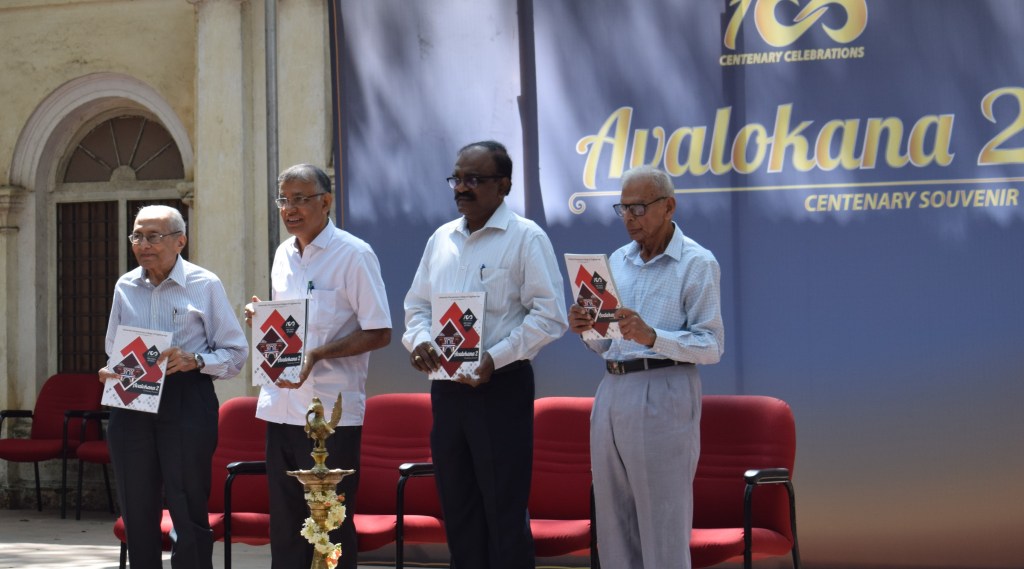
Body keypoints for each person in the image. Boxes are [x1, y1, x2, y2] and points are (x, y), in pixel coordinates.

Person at [403, 140, 568, 569]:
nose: (462, 187)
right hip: (447, 392)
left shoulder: (526, 237)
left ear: (504, 185)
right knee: (458, 511)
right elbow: (417, 306)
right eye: (457, 178)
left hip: (500, 388)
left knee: (503, 515)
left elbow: (550, 316)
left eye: (474, 179)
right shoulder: (441, 239)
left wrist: (496, 357)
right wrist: (418, 340)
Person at [568, 165, 724, 569]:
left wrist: (653, 336)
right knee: (614, 524)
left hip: (664, 387)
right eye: (623, 208)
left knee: (662, 525)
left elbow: (711, 345)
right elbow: (607, 344)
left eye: (638, 208)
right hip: (612, 390)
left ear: (669, 207)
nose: (629, 217)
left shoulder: (696, 263)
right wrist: (587, 330)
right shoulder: (617, 261)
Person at [244, 164, 391, 569]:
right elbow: (290, 326)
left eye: (300, 199)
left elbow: (379, 332)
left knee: (330, 526)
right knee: (286, 526)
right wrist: (263, 319)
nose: (289, 209)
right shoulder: (283, 255)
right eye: (283, 200)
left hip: (331, 415)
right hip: (281, 407)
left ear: (326, 202)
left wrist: (318, 354)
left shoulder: (353, 254)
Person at [99, 205, 248, 569]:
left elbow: (236, 352)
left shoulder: (205, 284)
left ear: (180, 241)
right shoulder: (125, 285)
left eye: (153, 236)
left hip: (186, 398)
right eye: (137, 236)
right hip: (132, 399)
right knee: (136, 508)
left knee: (187, 505)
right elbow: (113, 346)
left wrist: (196, 360)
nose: (143, 245)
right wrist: (110, 370)